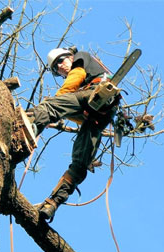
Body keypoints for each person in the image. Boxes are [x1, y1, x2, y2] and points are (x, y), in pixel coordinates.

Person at [30, 46, 119, 221]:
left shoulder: (81, 58)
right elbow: (74, 112)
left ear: (70, 56)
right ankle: (53, 203)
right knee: (80, 163)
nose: (60, 67)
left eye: (61, 61)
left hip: (94, 93)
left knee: (49, 105)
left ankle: (28, 130)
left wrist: (57, 101)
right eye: (56, 68)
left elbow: (74, 79)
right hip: (99, 116)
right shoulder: (77, 69)